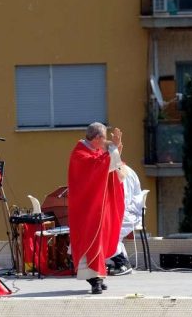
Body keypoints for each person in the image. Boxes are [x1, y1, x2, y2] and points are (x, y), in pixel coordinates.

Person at [67, 122, 125, 294]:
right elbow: (99, 165)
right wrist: (113, 148)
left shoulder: (95, 151)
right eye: (104, 138)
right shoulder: (80, 154)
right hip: (86, 208)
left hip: (98, 206)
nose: (105, 142)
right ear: (97, 138)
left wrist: (116, 147)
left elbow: (111, 165)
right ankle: (95, 281)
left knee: (99, 241)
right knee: (90, 241)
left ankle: (98, 276)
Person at [106, 164, 145, 276]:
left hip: (128, 213)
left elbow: (123, 199)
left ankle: (122, 263)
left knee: (105, 231)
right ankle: (111, 262)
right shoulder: (119, 169)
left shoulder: (121, 171)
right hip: (126, 211)